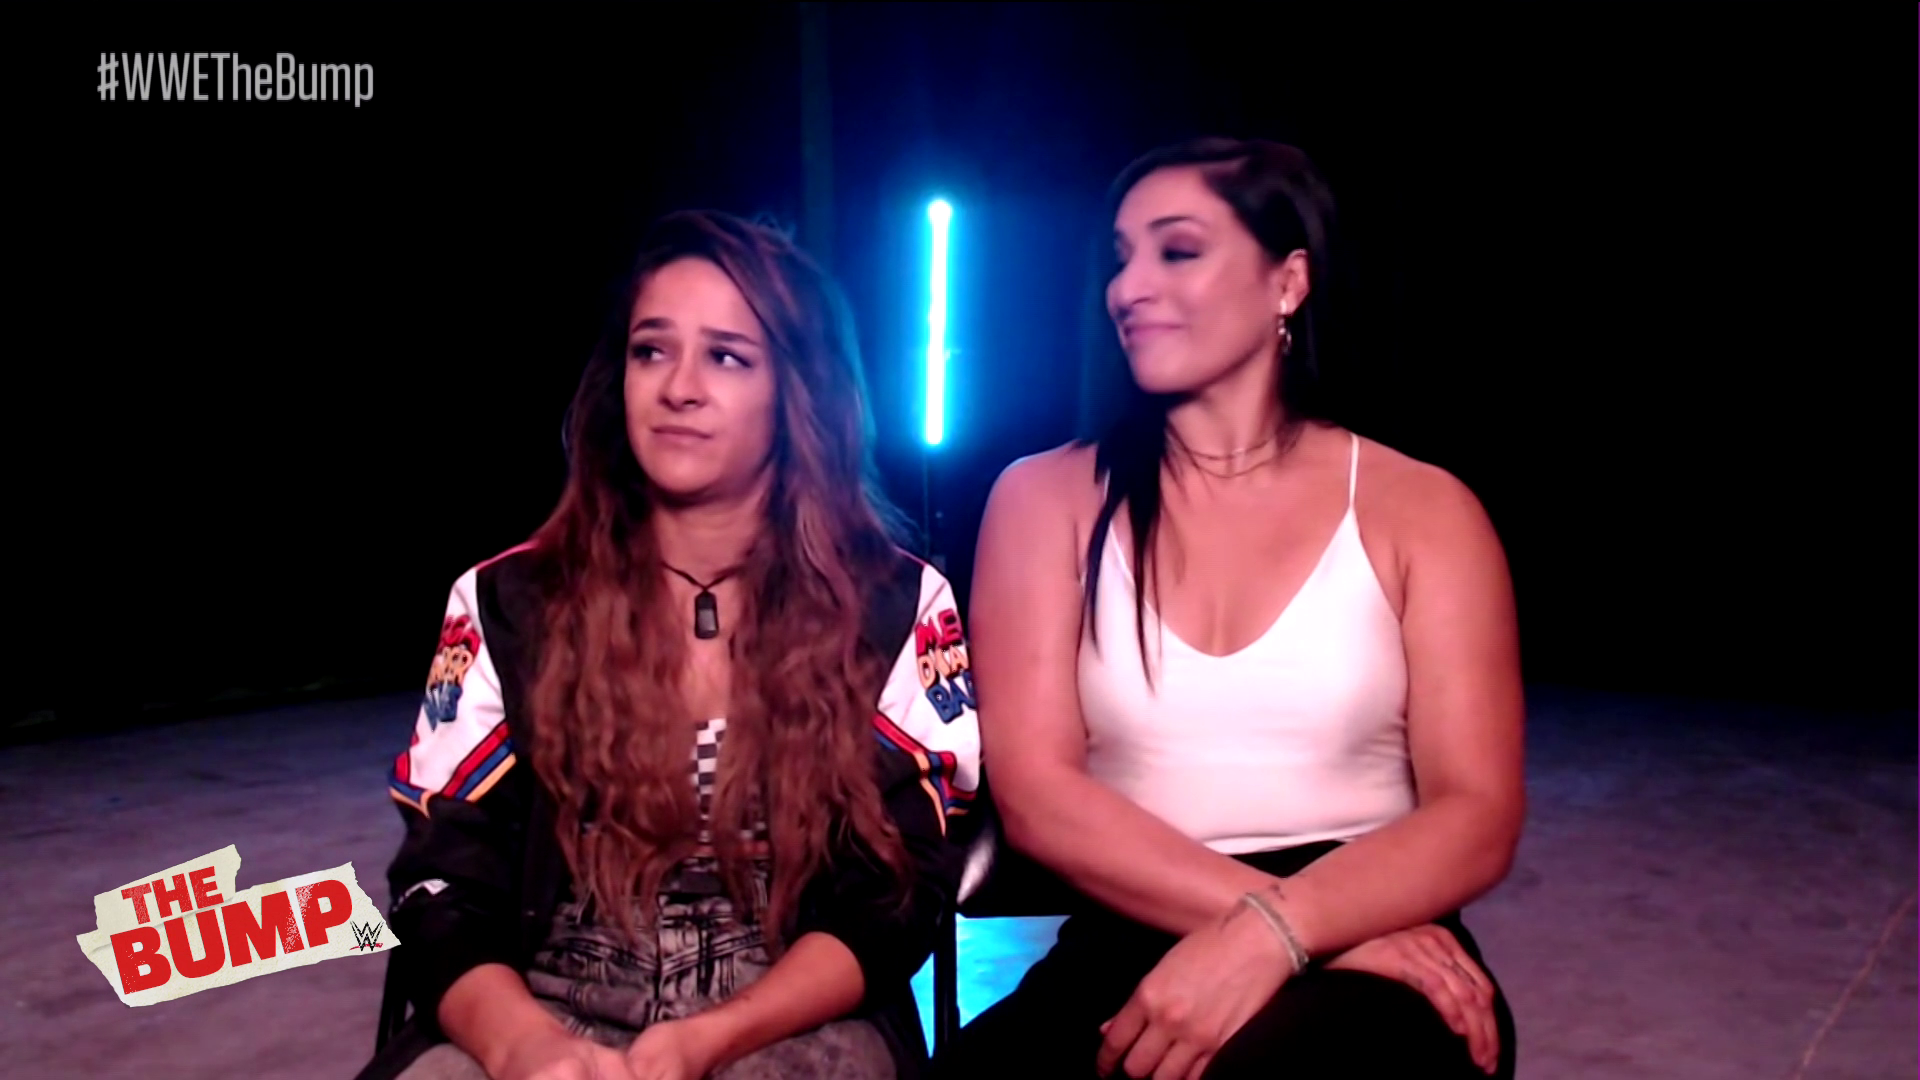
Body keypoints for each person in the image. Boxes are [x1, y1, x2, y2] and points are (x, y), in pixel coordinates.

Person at [934, 137, 1525, 1079]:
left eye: (1176, 251)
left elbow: (1477, 813)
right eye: (1120, 259)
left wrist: (1295, 928)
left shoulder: (1424, 510)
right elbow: (1040, 798)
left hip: (1375, 925)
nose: (1128, 288)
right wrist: (1271, 924)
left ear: (1287, 282)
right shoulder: (1043, 500)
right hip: (1137, 929)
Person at [357, 210, 981, 1080]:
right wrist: (525, 1048)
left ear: (798, 392)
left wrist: (706, 1041)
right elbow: (441, 882)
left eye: (727, 357)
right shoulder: (507, 602)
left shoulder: (897, 604)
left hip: (790, 1017)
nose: (678, 387)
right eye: (652, 350)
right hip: (536, 1010)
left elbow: (898, 893)